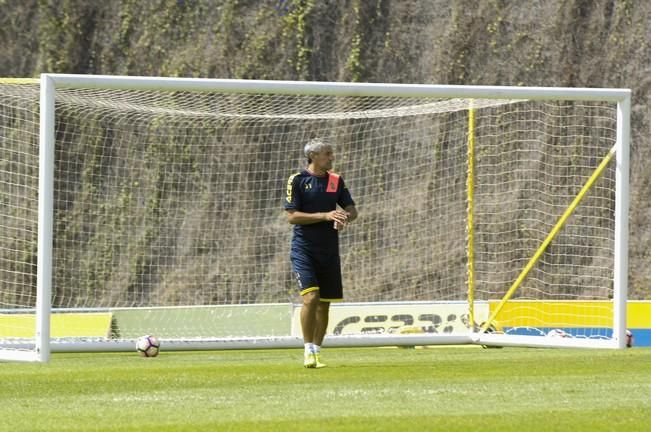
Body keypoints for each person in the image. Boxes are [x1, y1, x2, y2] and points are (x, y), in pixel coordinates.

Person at [284, 138, 358, 368]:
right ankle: (307, 350)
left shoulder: (336, 180)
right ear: (313, 156)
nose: (331, 157)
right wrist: (325, 215)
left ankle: (316, 351)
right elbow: (292, 216)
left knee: (325, 303)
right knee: (311, 298)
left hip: (329, 251)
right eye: (327, 153)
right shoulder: (297, 180)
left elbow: (352, 209)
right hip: (303, 249)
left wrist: (345, 217)